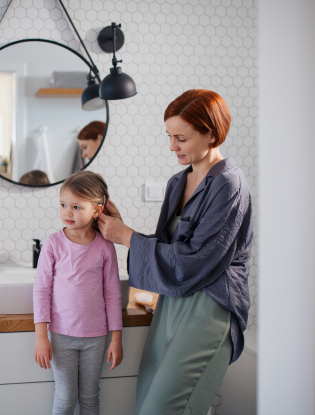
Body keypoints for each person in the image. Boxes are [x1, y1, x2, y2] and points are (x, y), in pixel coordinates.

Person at [98, 89, 253, 415]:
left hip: (211, 307)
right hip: (173, 303)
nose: (172, 147)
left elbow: (196, 260)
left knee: (163, 408)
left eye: (181, 138)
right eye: (169, 136)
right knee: (145, 402)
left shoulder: (229, 184)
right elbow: (172, 248)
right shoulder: (177, 183)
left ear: (210, 133)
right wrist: (125, 229)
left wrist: (127, 238)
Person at [33, 171, 123, 415]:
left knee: (90, 397)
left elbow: (113, 293)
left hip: (96, 338)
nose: (67, 212)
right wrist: (41, 337)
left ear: (97, 210)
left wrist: (116, 338)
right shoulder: (53, 244)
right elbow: (41, 290)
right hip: (61, 336)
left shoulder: (105, 246)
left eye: (75, 206)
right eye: (63, 205)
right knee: (65, 397)